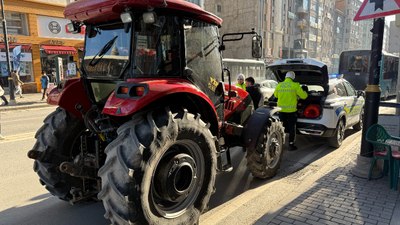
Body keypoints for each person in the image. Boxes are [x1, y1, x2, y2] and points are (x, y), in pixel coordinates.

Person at [274, 71, 308, 151]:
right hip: (291, 111)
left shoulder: (279, 85)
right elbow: (304, 97)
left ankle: (280, 143)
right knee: (292, 128)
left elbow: (275, 95)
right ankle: (291, 144)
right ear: (293, 78)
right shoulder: (295, 85)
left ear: (286, 77)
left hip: (281, 110)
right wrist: (305, 93)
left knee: (282, 127)